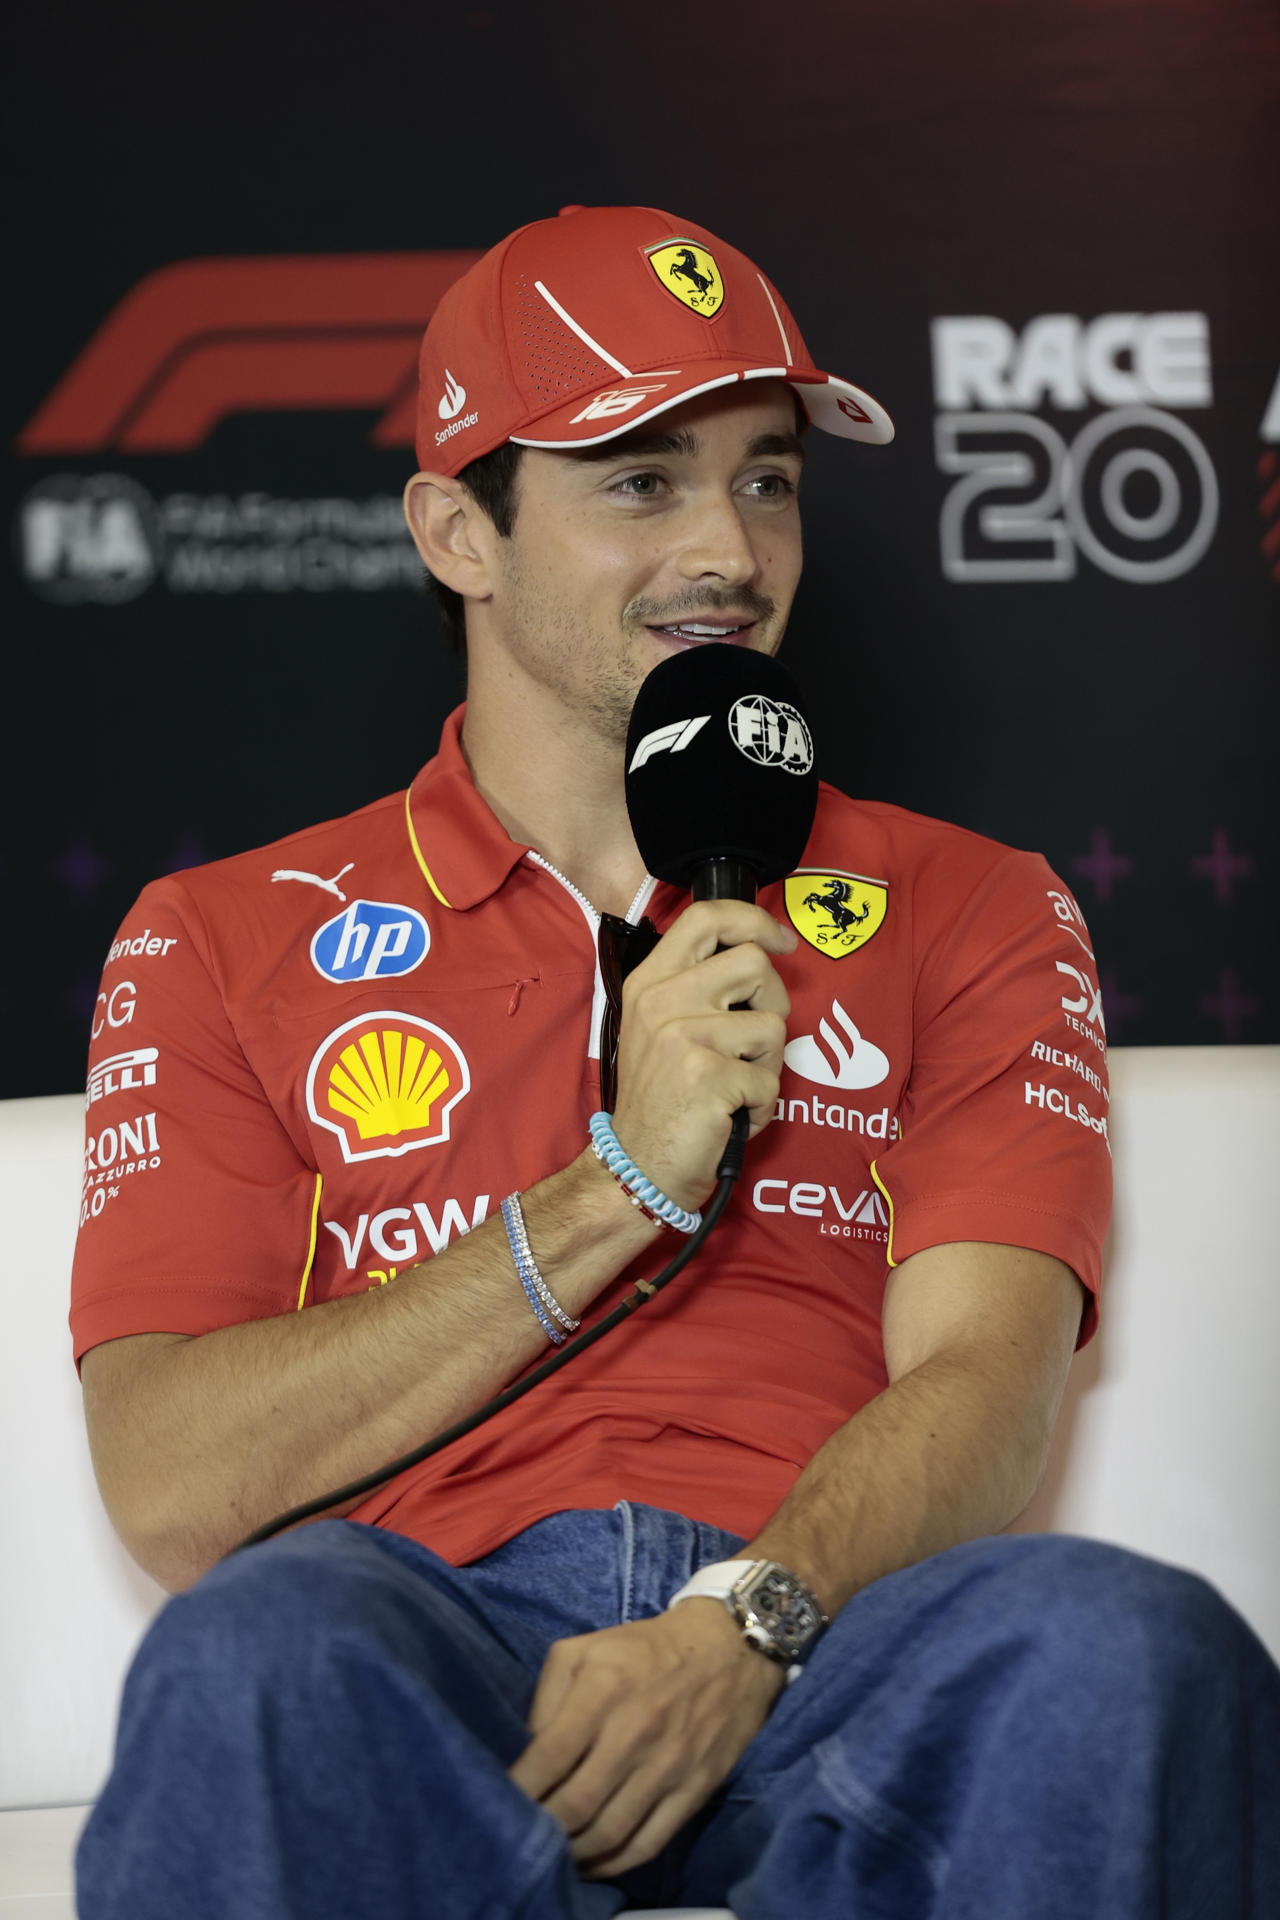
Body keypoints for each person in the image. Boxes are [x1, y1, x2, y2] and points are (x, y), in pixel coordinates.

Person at [72, 207, 1278, 1919]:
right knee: (256, 1656)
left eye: (767, 477)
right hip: (433, 1637)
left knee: (1123, 1646)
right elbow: (174, 1484)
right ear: (456, 531)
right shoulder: (222, 931)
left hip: (837, 1633)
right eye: (641, 479)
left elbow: (992, 1383)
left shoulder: (975, 902)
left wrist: (748, 1621)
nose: (730, 545)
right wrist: (618, 1188)